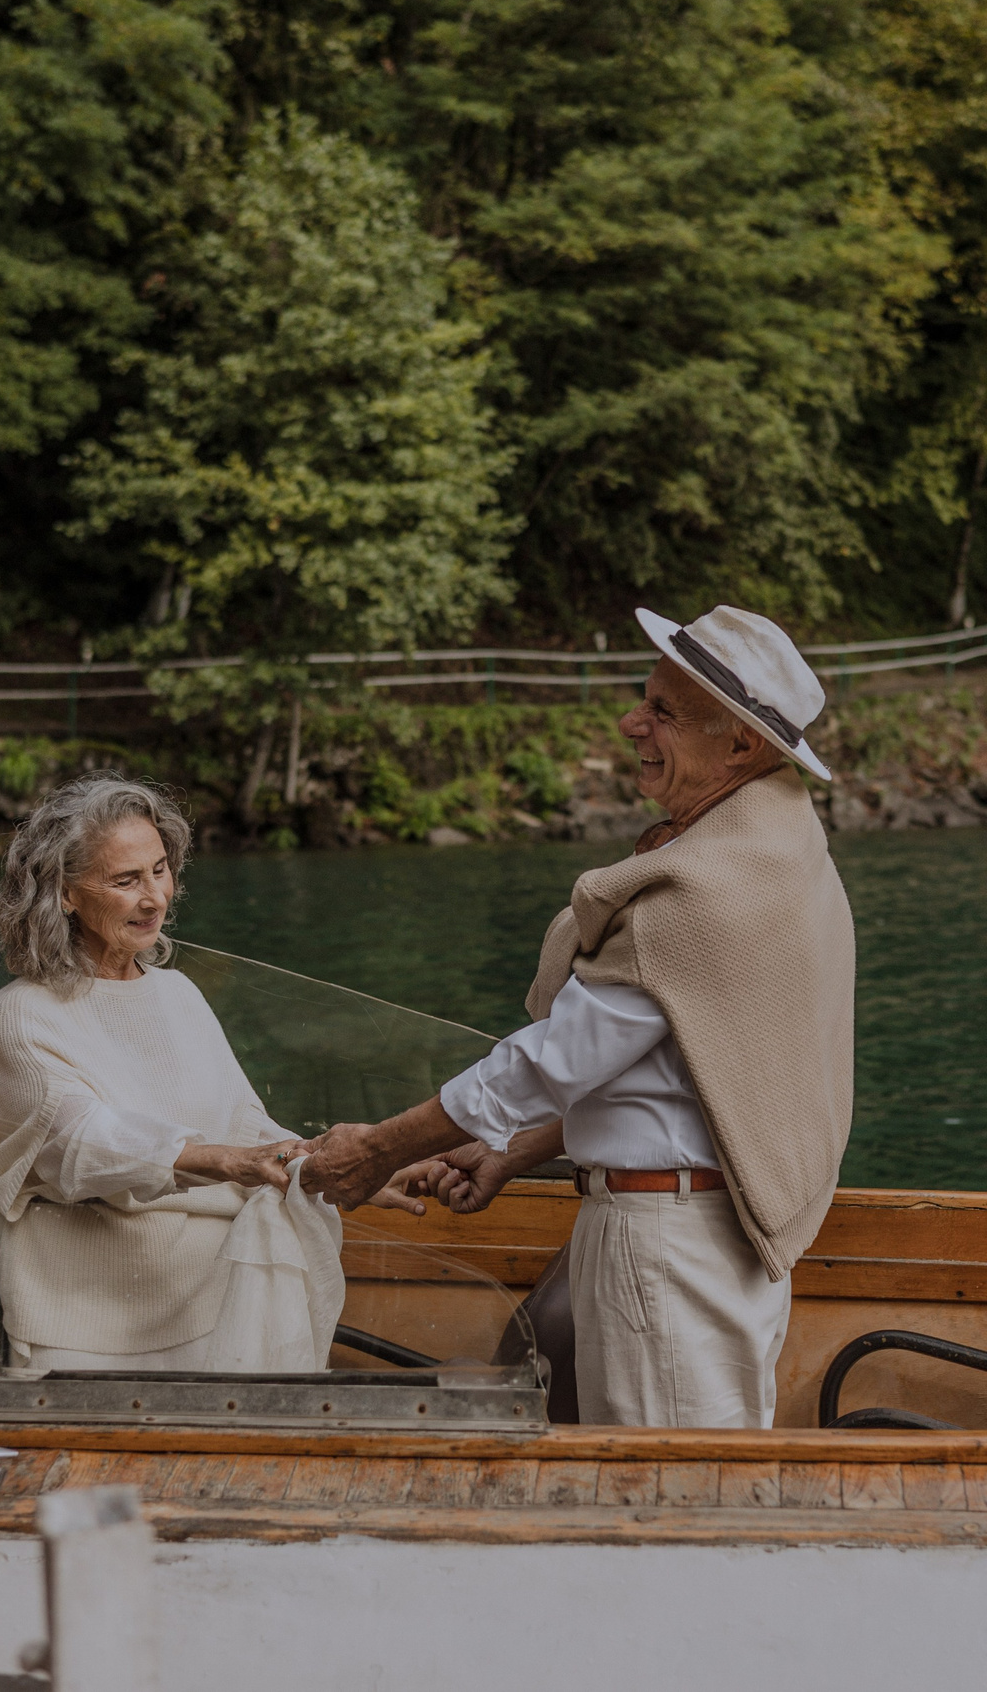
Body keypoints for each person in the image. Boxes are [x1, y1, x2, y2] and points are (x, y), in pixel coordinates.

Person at [310, 604, 856, 1427]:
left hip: (666, 1251)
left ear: (742, 743)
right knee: (692, 1505)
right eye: (645, 698)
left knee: (667, 1519)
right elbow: (680, 1075)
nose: (632, 721)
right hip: (714, 1240)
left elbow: (546, 1063)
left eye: (663, 712)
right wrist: (510, 1150)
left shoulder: (698, 895)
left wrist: (378, 1149)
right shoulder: (785, 854)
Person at [0, 774, 386, 1373]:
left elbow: (247, 1122)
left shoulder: (178, 992)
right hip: (93, 1327)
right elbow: (81, 1146)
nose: (155, 898)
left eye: (160, 870)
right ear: (65, 893)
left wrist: (354, 1160)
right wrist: (220, 1160)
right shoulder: (23, 1012)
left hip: (219, 1298)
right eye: (126, 880)